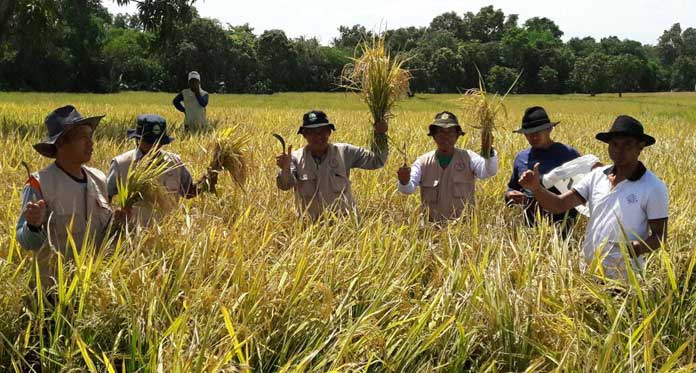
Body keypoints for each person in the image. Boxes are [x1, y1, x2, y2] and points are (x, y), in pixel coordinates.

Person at [518, 115, 668, 279]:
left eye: (627, 145)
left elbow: (660, 236)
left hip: (625, 278)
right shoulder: (597, 176)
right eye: (614, 144)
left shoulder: (653, 187)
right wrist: (536, 188)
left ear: (640, 147)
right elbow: (559, 205)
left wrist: (639, 247)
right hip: (589, 271)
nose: (619, 149)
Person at [16, 105, 121, 289]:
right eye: (83, 137)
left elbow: (104, 235)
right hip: (53, 292)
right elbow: (26, 242)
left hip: (93, 288)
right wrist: (33, 225)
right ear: (61, 142)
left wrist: (118, 222)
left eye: (91, 136)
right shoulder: (40, 184)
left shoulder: (99, 179)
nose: (91, 143)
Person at [276, 110, 388, 220]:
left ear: (329, 132)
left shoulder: (344, 152)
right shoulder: (295, 158)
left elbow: (377, 161)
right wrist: (285, 170)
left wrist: (380, 135)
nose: (318, 136)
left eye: (322, 131)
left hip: (344, 227)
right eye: (312, 132)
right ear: (305, 135)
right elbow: (285, 186)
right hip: (309, 230)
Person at [107, 114, 217, 225]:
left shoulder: (174, 162)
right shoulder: (121, 164)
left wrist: (208, 179)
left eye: (158, 142)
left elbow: (189, 192)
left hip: (167, 234)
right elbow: (105, 198)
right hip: (132, 234)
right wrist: (115, 214)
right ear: (137, 139)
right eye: (149, 142)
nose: (154, 146)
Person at [396, 111, 498, 222]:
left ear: (458, 136)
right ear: (434, 136)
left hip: (464, 232)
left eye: (450, 133)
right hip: (431, 231)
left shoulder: (469, 158)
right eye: (441, 133)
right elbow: (408, 189)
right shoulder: (423, 162)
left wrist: (489, 150)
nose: (446, 137)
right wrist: (404, 181)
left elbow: (488, 171)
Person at [506, 106, 582, 235]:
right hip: (530, 227)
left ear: (549, 129)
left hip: (562, 226)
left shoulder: (568, 155)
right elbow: (513, 187)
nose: (533, 136)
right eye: (529, 133)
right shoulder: (521, 158)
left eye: (538, 131)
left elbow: (584, 189)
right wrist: (510, 196)